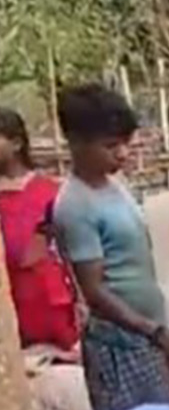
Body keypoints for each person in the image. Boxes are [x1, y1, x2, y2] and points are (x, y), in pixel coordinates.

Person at [53, 84, 169, 410]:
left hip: (148, 337)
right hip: (120, 345)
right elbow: (95, 291)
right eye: (110, 146)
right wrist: (157, 333)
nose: (122, 154)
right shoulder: (75, 205)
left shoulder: (115, 187)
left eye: (126, 143)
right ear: (76, 143)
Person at [0, 109, 79, 355]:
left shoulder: (51, 192)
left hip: (53, 305)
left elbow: (72, 252)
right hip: (10, 307)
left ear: (16, 143)